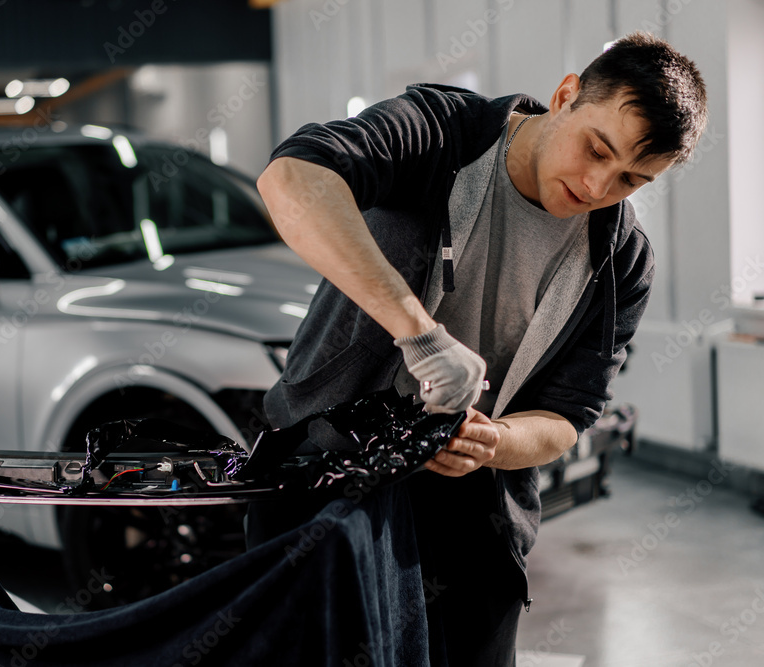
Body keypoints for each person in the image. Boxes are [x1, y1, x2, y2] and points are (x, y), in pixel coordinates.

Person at [247, 31, 708, 665]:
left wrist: (495, 443)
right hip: (324, 481)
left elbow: (570, 416)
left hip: (474, 521)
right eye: (596, 148)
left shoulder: (622, 258)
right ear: (567, 95)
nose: (599, 184)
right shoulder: (440, 134)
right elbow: (291, 178)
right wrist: (419, 332)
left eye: (632, 177)